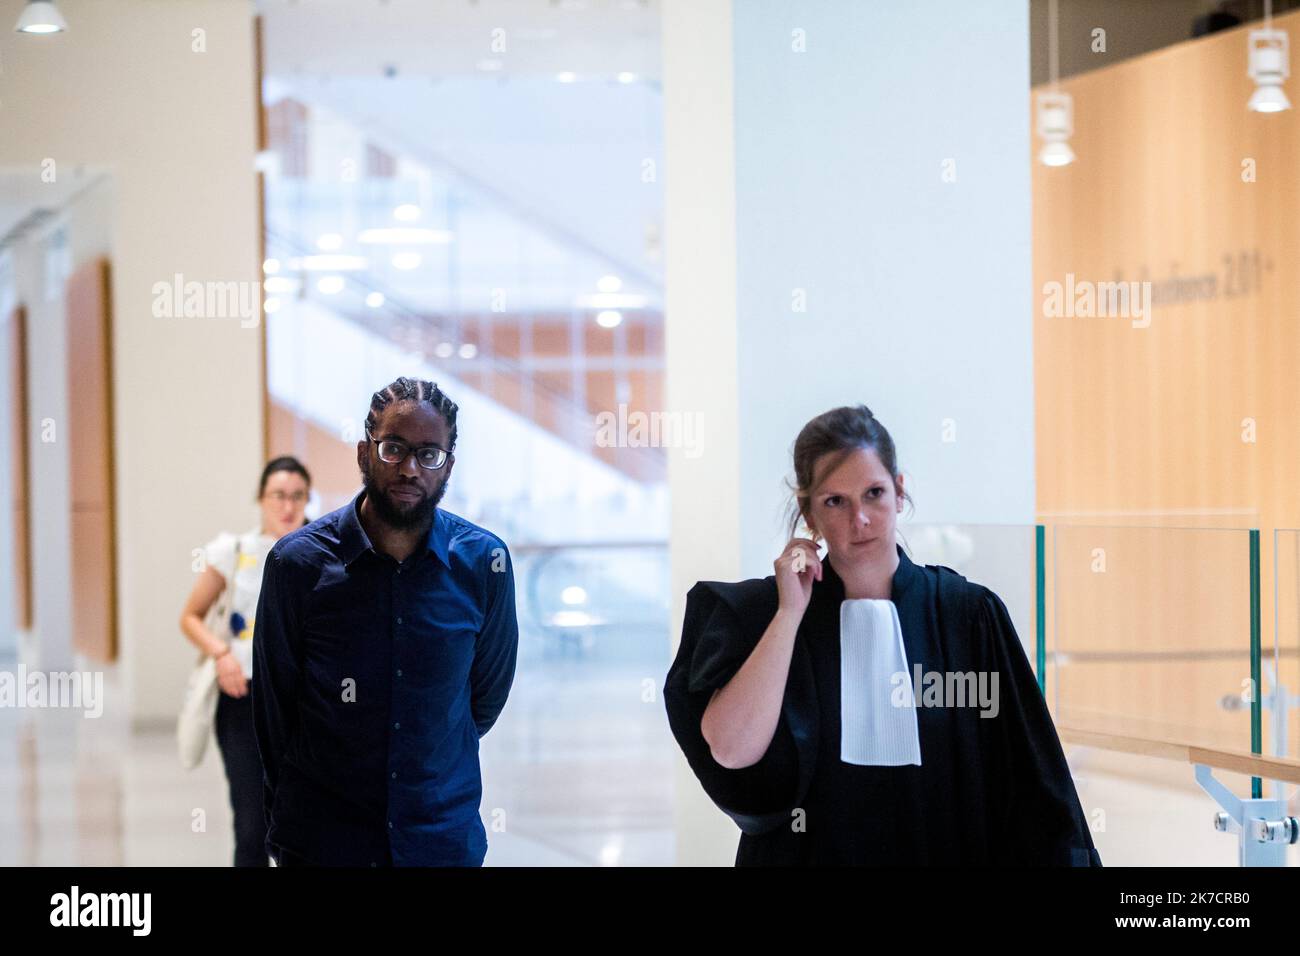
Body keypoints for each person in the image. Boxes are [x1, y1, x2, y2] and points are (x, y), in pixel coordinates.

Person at [664, 404, 1101, 866]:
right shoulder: (762, 616)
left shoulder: (966, 615)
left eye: (874, 493)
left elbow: (1031, 784)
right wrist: (789, 614)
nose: (861, 519)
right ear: (807, 513)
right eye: (835, 501)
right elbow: (731, 750)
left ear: (899, 491)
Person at [252, 376, 519, 867]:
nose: (411, 469)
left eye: (429, 454)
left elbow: (483, 698)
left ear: (448, 467)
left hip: (440, 840)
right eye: (394, 448)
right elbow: (275, 711)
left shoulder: (484, 564)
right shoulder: (298, 565)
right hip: (325, 842)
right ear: (364, 453)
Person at [180, 456, 312, 867]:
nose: (287, 507)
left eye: (297, 496)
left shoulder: (327, 552)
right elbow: (190, 616)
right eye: (278, 496)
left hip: (308, 702)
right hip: (244, 698)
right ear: (260, 499)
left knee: (307, 821)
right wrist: (221, 655)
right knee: (252, 824)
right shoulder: (233, 552)